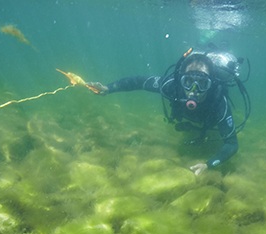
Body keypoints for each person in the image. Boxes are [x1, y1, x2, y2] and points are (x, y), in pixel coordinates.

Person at [88, 48, 242, 176]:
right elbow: (139, 81)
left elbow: (232, 144)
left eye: (202, 83)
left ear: (211, 84)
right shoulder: (171, 86)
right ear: (180, 81)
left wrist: (208, 164)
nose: (194, 91)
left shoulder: (219, 102)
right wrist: (108, 88)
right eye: (188, 82)